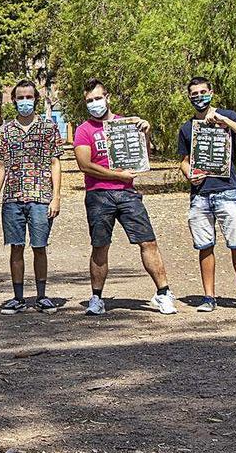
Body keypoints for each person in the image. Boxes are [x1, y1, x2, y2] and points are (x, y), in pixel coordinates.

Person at [73, 78, 176, 315]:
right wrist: (116, 175)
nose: (95, 103)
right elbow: (84, 164)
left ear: (107, 97)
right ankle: (97, 298)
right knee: (100, 245)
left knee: (148, 241)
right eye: (90, 101)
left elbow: (142, 157)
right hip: (98, 195)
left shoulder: (126, 124)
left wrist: (145, 133)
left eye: (98, 98)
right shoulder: (84, 130)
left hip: (128, 194)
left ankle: (163, 293)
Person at [177, 77, 236, 312]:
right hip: (200, 194)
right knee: (205, 245)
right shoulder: (187, 128)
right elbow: (184, 161)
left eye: (203, 92)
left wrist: (225, 121)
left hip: (226, 190)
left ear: (211, 92)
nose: (199, 97)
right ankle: (209, 297)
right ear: (189, 97)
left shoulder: (227, 116)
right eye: (194, 94)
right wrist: (189, 174)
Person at [0, 80, 62, 315]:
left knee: (39, 246)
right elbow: (0, 165)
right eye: (20, 98)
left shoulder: (48, 127)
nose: (25, 102)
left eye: (29, 97)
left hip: (41, 196)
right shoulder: (5, 130)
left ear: (36, 99)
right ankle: (18, 297)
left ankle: (42, 296)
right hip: (12, 198)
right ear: (14, 100)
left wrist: (56, 197)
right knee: (16, 247)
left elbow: (55, 162)